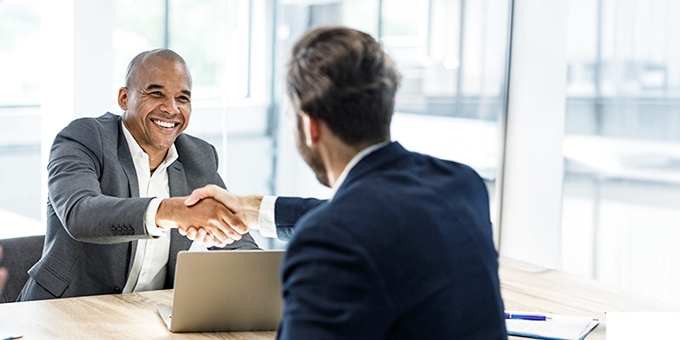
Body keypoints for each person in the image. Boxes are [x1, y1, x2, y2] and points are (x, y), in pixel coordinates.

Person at [186, 26, 507, 339]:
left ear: (310, 126)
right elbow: (374, 218)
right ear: (387, 105)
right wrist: (251, 209)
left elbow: (351, 225)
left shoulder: (329, 239)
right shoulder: (462, 185)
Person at [17, 49, 258, 302]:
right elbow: (80, 213)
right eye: (156, 94)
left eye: (183, 98)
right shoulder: (84, 138)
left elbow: (234, 239)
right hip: (62, 311)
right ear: (124, 98)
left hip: (145, 317)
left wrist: (265, 276)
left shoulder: (198, 157)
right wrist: (171, 212)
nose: (171, 109)